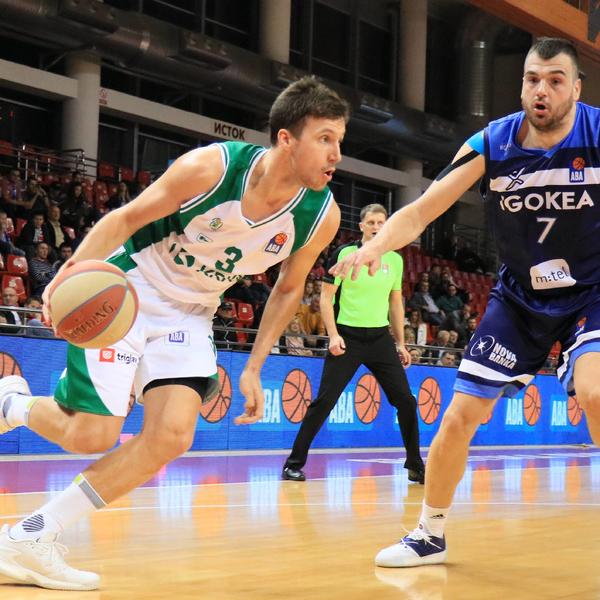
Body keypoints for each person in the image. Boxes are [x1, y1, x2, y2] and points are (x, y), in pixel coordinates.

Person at [0, 75, 349, 590]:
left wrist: (254, 367)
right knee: (91, 435)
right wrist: (67, 275)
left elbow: (287, 289)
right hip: (129, 288)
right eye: (325, 138)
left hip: (192, 312)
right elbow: (124, 219)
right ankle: (12, 404)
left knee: (171, 435)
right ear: (286, 138)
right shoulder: (212, 168)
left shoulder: (321, 215)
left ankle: (31, 535)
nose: (336, 154)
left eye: (340, 140)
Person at [331, 38, 600, 568]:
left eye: (555, 81)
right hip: (520, 298)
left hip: (591, 291)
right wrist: (374, 247)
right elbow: (421, 211)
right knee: (459, 416)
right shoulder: (492, 143)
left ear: (576, 88)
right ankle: (429, 534)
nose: (541, 90)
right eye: (532, 79)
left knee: (596, 390)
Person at [282, 203, 425, 484]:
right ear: (361, 226)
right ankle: (293, 464)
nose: (376, 227)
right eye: (370, 222)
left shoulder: (395, 260)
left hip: (380, 339)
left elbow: (395, 303)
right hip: (347, 338)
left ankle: (415, 465)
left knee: (406, 401)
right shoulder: (345, 254)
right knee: (324, 401)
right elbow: (326, 298)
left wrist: (400, 343)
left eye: (381, 222)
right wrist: (333, 335)